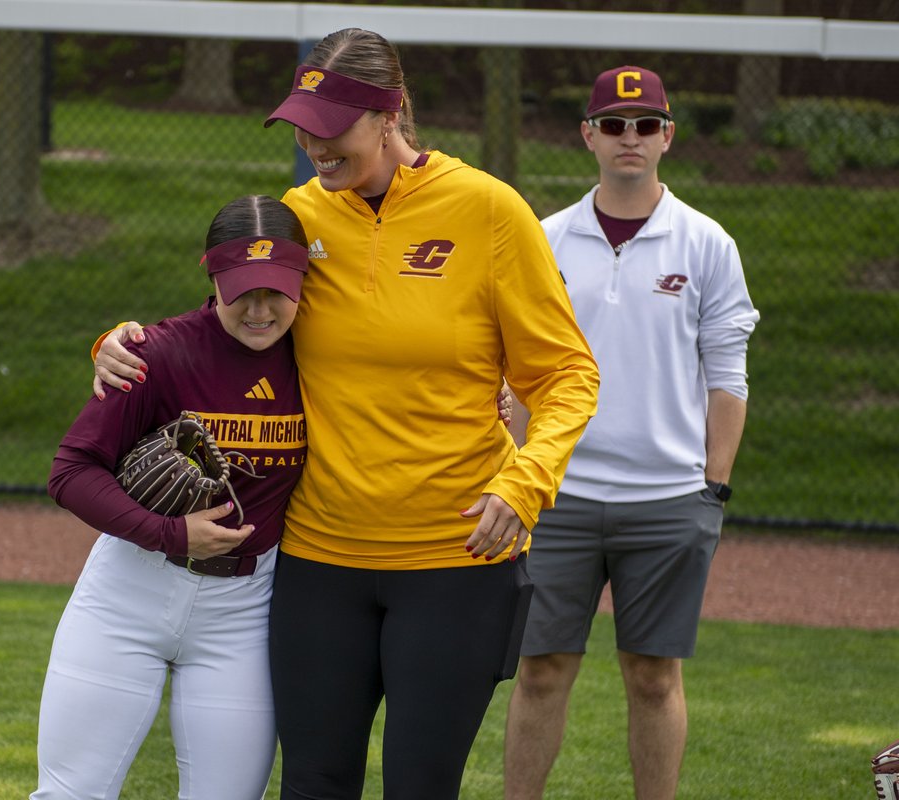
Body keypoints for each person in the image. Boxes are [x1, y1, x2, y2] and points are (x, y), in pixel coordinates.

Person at [90, 28, 600, 799]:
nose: (312, 145)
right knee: (315, 783)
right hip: (319, 563)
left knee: (418, 786)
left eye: (330, 129)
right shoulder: (298, 215)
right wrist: (116, 345)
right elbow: (220, 337)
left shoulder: (490, 211)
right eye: (301, 125)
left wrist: (526, 481)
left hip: (454, 560)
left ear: (388, 115)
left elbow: (566, 372)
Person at [502, 66, 760, 800]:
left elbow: (728, 375)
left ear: (668, 136)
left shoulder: (708, 244)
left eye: (645, 124)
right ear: (587, 135)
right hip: (559, 493)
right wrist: (518, 475)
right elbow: (522, 375)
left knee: (653, 676)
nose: (629, 138)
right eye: (613, 124)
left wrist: (712, 488)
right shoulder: (544, 239)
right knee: (541, 670)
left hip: (670, 499)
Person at [31, 195, 310, 800]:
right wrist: (169, 533)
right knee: (69, 793)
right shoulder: (157, 353)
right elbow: (72, 470)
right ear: (212, 277)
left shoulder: (324, 358)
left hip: (245, 610)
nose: (260, 310)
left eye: (277, 290)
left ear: (302, 281)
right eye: (242, 290)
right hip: (129, 591)